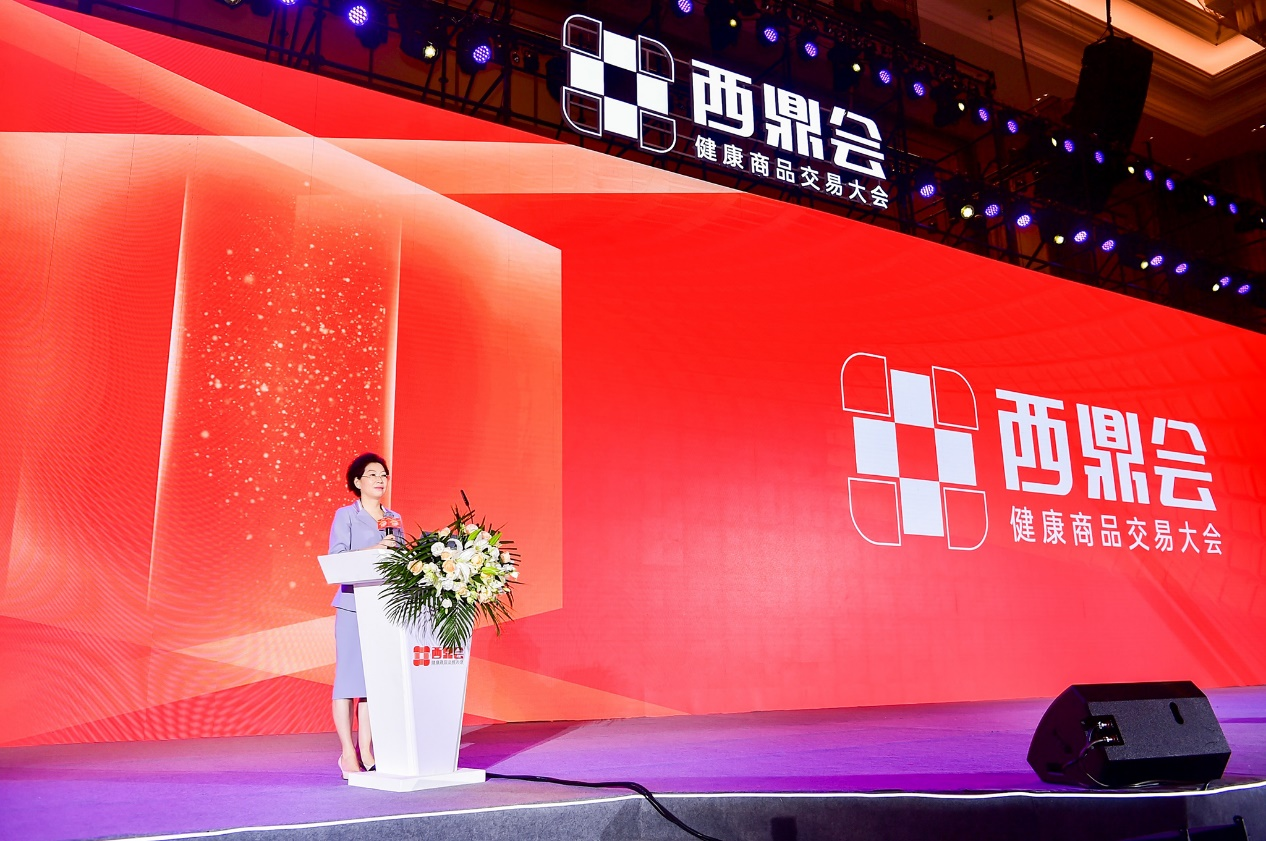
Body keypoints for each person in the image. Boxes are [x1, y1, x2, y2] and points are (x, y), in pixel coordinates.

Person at [328, 452, 401, 778]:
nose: (380, 479)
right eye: (372, 474)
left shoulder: (393, 517)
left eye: (383, 474)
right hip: (352, 606)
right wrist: (373, 551)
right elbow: (337, 558)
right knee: (349, 681)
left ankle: (368, 751)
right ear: (357, 482)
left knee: (373, 683)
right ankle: (347, 753)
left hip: (383, 608)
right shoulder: (346, 515)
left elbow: (399, 559)